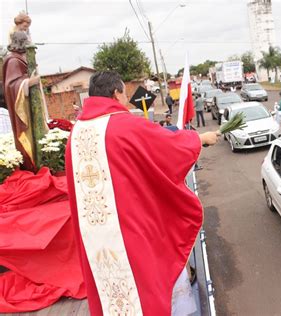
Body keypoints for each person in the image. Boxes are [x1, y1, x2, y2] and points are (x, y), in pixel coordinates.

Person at [65, 71, 219, 316]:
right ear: (116, 94)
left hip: (95, 234)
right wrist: (200, 139)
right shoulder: (124, 124)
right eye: (125, 94)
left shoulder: (77, 134)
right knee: (145, 287)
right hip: (129, 227)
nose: (126, 100)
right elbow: (169, 148)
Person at [2, 31, 46, 171]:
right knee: (27, 138)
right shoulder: (13, 60)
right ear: (22, 42)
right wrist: (29, 82)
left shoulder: (23, 57)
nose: (30, 41)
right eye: (27, 39)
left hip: (29, 105)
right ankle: (30, 165)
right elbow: (11, 85)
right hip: (22, 108)